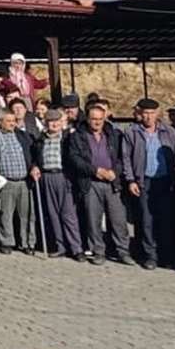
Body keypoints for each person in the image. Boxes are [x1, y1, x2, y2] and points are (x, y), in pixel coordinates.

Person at [121, 98, 175, 269]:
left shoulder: (168, 131)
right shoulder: (132, 132)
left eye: (152, 113)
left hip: (165, 181)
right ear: (140, 113)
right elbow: (126, 158)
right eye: (145, 113)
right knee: (147, 220)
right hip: (144, 181)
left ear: (158, 113)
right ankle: (150, 255)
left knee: (165, 219)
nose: (148, 117)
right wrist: (131, 180)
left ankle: (166, 255)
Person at [68, 104, 131, 265]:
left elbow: (121, 157)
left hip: (112, 181)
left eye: (100, 119)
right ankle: (98, 251)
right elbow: (75, 158)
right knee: (93, 219)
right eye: (93, 119)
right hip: (91, 182)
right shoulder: (77, 136)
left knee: (118, 219)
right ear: (87, 119)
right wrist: (95, 170)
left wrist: (115, 172)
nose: (97, 122)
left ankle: (123, 251)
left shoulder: (114, 134)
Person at [31, 109, 82, 260]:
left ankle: (76, 248)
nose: (54, 124)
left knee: (68, 214)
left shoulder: (68, 138)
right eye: (50, 121)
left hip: (63, 176)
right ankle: (60, 246)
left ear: (61, 122)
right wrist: (34, 166)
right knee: (53, 214)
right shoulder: (40, 140)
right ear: (46, 123)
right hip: (46, 176)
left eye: (56, 121)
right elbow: (35, 158)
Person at [0, 108, 37, 254]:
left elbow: (32, 154)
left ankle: (27, 243)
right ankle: (7, 242)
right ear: (0, 122)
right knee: (6, 214)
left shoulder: (22, 136)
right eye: (8, 121)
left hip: (24, 180)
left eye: (14, 121)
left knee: (26, 215)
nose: (12, 124)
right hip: (6, 181)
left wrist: (34, 166)